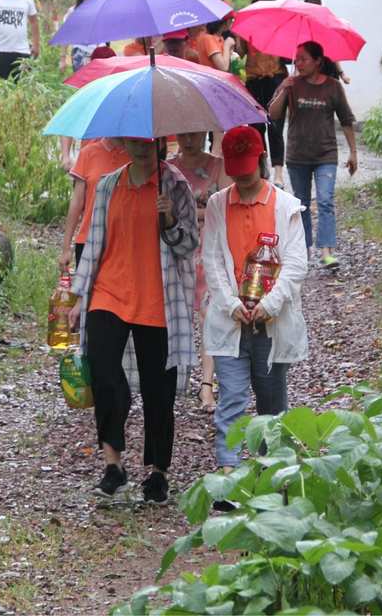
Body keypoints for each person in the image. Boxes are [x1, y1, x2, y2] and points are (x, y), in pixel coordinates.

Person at [69, 138, 199, 504]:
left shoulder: (176, 186)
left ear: (159, 143)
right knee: (104, 374)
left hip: (158, 299)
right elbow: (93, 242)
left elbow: (189, 245)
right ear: (125, 141)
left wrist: (171, 219)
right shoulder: (110, 184)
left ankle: (158, 472)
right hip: (109, 293)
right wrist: (80, 297)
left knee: (159, 392)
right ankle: (114, 465)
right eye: (134, 141)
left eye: (147, 142)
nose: (140, 148)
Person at [202, 126, 308, 474]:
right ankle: (228, 472)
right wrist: (232, 304)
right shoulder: (219, 204)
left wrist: (270, 305)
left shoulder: (286, 206)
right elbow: (213, 260)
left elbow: (295, 264)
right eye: (236, 171)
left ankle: (271, 473)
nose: (243, 179)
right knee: (231, 398)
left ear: (262, 160)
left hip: (271, 322)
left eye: (248, 169)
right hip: (231, 320)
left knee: (271, 403)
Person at [268, 41, 358, 269]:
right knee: (303, 204)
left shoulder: (333, 87)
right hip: (297, 155)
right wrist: (284, 89)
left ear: (318, 61)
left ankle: (327, 251)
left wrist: (353, 153)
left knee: (326, 201)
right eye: (296, 59)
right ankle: (304, 249)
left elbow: (346, 120)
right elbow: (273, 113)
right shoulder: (291, 85)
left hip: (325, 154)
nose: (298, 63)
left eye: (303, 59)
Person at [168, 132, 231, 412]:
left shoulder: (218, 166)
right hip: (177, 247)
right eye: (183, 134)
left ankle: (206, 385)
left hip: (209, 247)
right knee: (173, 314)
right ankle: (171, 379)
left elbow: (228, 208)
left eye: (194, 133)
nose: (189, 139)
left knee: (209, 315)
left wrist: (188, 213)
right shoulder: (168, 167)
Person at [60, 138, 130, 271]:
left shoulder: (136, 156)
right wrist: (66, 247)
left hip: (124, 244)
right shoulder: (88, 153)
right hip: (88, 240)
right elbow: (77, 202)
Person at [241, 0, 287, 185]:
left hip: (275, 78)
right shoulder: (246, 27)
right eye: (259, 4)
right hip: (254, 81)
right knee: (256, 128)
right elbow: (242, 51)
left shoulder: (280, 27)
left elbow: (286, 51)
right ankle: (261, 164)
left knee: (275, 127)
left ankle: (278, 172)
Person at [301, 0, 351, 85]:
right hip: (309, 74)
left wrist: (341, 74)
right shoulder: (301, 27)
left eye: (316, 6)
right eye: (310, 6)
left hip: (327, 71)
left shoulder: (327, 26)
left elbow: (333, 53)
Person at [60, 0, 99, 73]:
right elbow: (66, 35)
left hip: (97, 52)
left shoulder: (99, 10)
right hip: (80, 52)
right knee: (84, 83)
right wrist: (62, 59)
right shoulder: (73, 11)